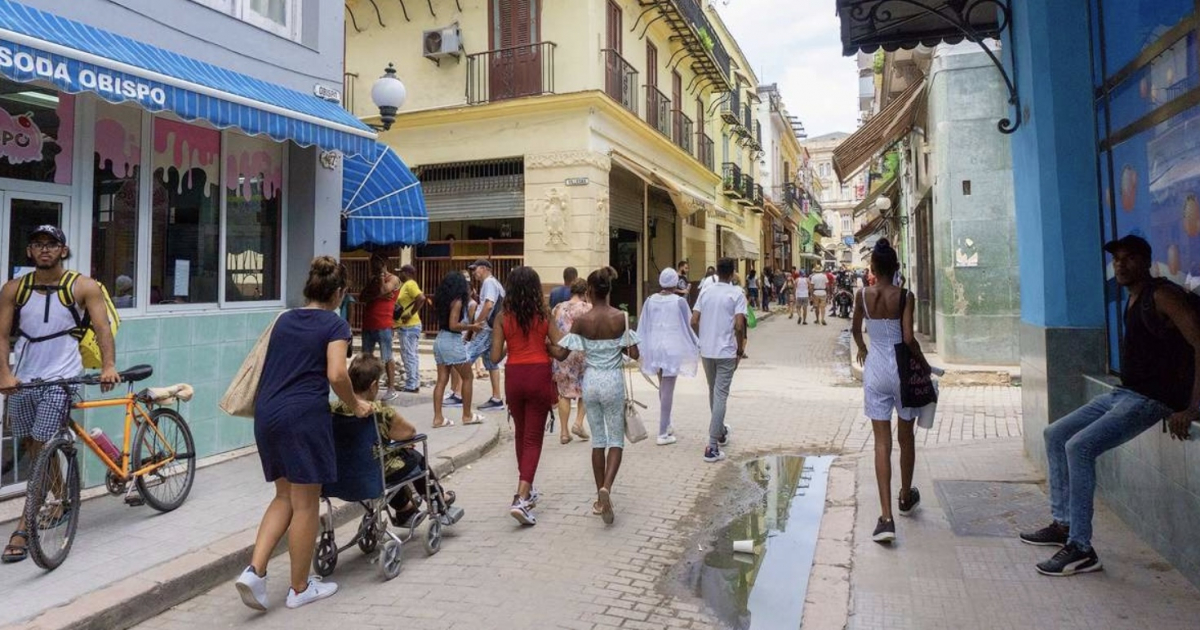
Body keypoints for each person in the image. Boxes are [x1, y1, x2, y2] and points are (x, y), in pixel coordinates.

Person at [1020, 235, 1200, 576]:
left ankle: (1081, 547)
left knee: (1080, 447)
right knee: (1055, 434)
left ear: (1146, 263)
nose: (1120, 264)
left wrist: (1192, 408)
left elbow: (1198, 342)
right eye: (1117, 259)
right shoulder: (1132, 299)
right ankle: (1062, 524)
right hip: (1124, 393)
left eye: (1129, 258)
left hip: (1153, 401)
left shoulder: (1163, 295)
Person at [234, 256, 371, 611]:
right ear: (339, 293)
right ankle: (299, 588)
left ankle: (254, 571)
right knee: (306, 502)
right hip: (303, 417)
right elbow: (338, 374)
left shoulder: (284, 319)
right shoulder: (334, 325)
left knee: (284, 496)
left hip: (267, 415)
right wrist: (356, 405)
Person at [0, 225, 120, 565]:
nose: (44, 250)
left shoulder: (83, 286)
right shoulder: (14, 289)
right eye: (37, 244)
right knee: (31, 443)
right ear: (29, 252)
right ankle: (61, 498)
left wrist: (108, 365)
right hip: (24, 379)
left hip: (63, 378)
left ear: (63, 250)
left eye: (51, 244)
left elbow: (101, 327)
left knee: (41, 445)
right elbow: (2, 334)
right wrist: (5, 374)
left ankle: (25, 525)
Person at [851, 240, 927, 545]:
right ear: (896, 268)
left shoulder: (863, 296)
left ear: (872, 269)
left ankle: (885, 519)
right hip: (901, 368)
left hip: (876, 368)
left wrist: (862, 350)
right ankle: (906, 496)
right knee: (905, 437)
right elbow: (908, 338)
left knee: (881, 443)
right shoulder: (905, 296)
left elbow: (856, 329)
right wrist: (923, 363)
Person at [335, 353, 461, 527]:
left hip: (340, 471)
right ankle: (438, 499)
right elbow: (409, 432)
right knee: (412, 458)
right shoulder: (378, 410)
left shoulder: (334, 408)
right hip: (372, 470)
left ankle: (406, 508)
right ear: (373, 385)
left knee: (391, 460)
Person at [556, 268, 640, 524]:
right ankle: (607, 488)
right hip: (613, 381)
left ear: (590, 291)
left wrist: (545, 344)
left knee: (598, 441)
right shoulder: (620, 318)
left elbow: (561, 354)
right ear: (609, 290)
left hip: (590, 382)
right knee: (616, 439)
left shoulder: (582, 321)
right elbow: (634, 354)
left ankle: (598, 496)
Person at [491, 266, 565, 526]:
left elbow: (494, 357)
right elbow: (563, 349)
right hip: (538, 375)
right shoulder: (544, 314)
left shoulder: (502, 317)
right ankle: (521, 498)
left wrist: (510, 342)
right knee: (534, 439)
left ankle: (528, 488)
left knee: (522, 436)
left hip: (514, 377)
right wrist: (546, 346)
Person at [691, 258, 746, 464]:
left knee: (713, 391)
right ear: (732, 273)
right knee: (721, 394)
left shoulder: (705, 291)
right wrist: (740, 349)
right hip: (726, 351)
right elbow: (739, 325)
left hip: (707, 351)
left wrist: (702, 338)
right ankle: (712, 446)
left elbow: (693, 320)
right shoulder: (736, 293)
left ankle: (721, 431)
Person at [638, 268, 699, 446]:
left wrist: (642, 346)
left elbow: (644, 324)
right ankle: (663, 432)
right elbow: (688, 324)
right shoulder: (679, 301)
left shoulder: (650, 301)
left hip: (655, 347)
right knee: (668, 388)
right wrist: (696, 342)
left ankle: (668, 422)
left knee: (662, 387)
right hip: (671, 348)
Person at [430, 271, 484, 428]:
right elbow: (454, 325)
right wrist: (472, 326)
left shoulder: (443, 301)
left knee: (441, 380)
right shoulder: (458, 301)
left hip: (440, 340)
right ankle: (467, 415)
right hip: (452, 341)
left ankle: (438, 418)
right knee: (468, 377)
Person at [552, 277, 592, 444]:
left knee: (564, 392)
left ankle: (563, 432)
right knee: (585, 388)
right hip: (583, 353)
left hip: (563, 352)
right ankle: (578, 423)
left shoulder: (558, 308)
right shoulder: (588, 308)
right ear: (585, 292)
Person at [358, 253, 400, 401]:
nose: (373, 266)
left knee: (387, 356)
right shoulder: (372, 280)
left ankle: (391, 388)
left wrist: (381, 277)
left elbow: (384, 290)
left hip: (383, 323)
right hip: (368, 323)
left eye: (376, 263)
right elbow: (362, 297)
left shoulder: (393, 279)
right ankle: (366, 386)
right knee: (366, 357)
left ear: (384, 263)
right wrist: (376, 295)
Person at [468, 259, 506, 411]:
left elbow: (488, 305)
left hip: (485, 328)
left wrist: (476, 323)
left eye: (475, 269)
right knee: (491, 362)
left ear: (483, 268)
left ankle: (457, 394)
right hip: (492, 327)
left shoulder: (489, 283)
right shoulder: (495, 283)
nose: (473, 273)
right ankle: (497, 398)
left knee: (466, 357)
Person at [446, 270, 478, 408]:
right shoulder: (462, 303)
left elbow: (471, 323)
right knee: (454, 366)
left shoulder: (472, 304)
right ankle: (454, 390)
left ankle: (459, 394)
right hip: (459, 335)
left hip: (464, 336)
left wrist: (468, 337)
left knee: (462, 368)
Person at [393, 264, 426, 394]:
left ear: (406, 273)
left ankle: (411, 383)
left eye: (401, 272)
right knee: (412, 354)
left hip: (409, 326)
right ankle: (414, 381)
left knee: (408, 355)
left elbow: (421, 298)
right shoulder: (406, 285)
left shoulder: (410, 284)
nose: (399, 275)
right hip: (409, 326)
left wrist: (410, 313)